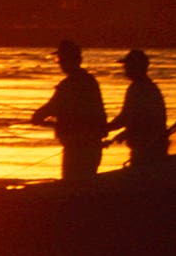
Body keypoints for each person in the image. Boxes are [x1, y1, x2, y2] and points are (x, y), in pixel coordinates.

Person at [30, 39, 106, 180]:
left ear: (68, 60)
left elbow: (53, 106)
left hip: (77, 147)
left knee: (73, 183)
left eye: (60, 59)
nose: (59, 62)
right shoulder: (90, 82)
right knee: (86, 182)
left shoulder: (69, 85)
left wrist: (37, 116)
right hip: (92, 146)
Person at [108, 48, 169, 167]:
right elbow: (126, 118)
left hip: (149, 149)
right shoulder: (139, 88)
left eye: (127, 65)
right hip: (144, 148)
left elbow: (143, 122)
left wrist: (122, 134)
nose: (125, 69)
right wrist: (106, 129)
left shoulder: (143, 90)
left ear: (136, 67)